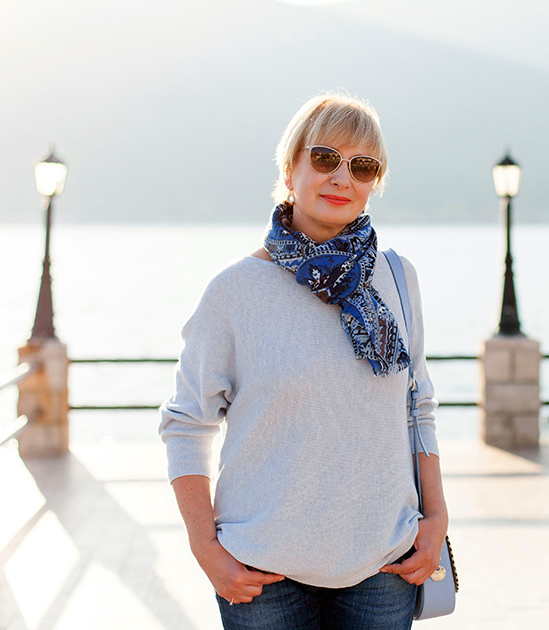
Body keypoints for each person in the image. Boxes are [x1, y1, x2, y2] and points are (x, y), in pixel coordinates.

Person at [159, 92, 447, 630]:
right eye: (324, 158)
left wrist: (436, 519)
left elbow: (418, 408)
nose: (342, 177)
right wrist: (206, 548)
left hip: (384, 563)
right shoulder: (234, 291)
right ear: (290, 169)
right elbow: (185, 425)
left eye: (363, 167)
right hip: (263, 573)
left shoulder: (398, 278)